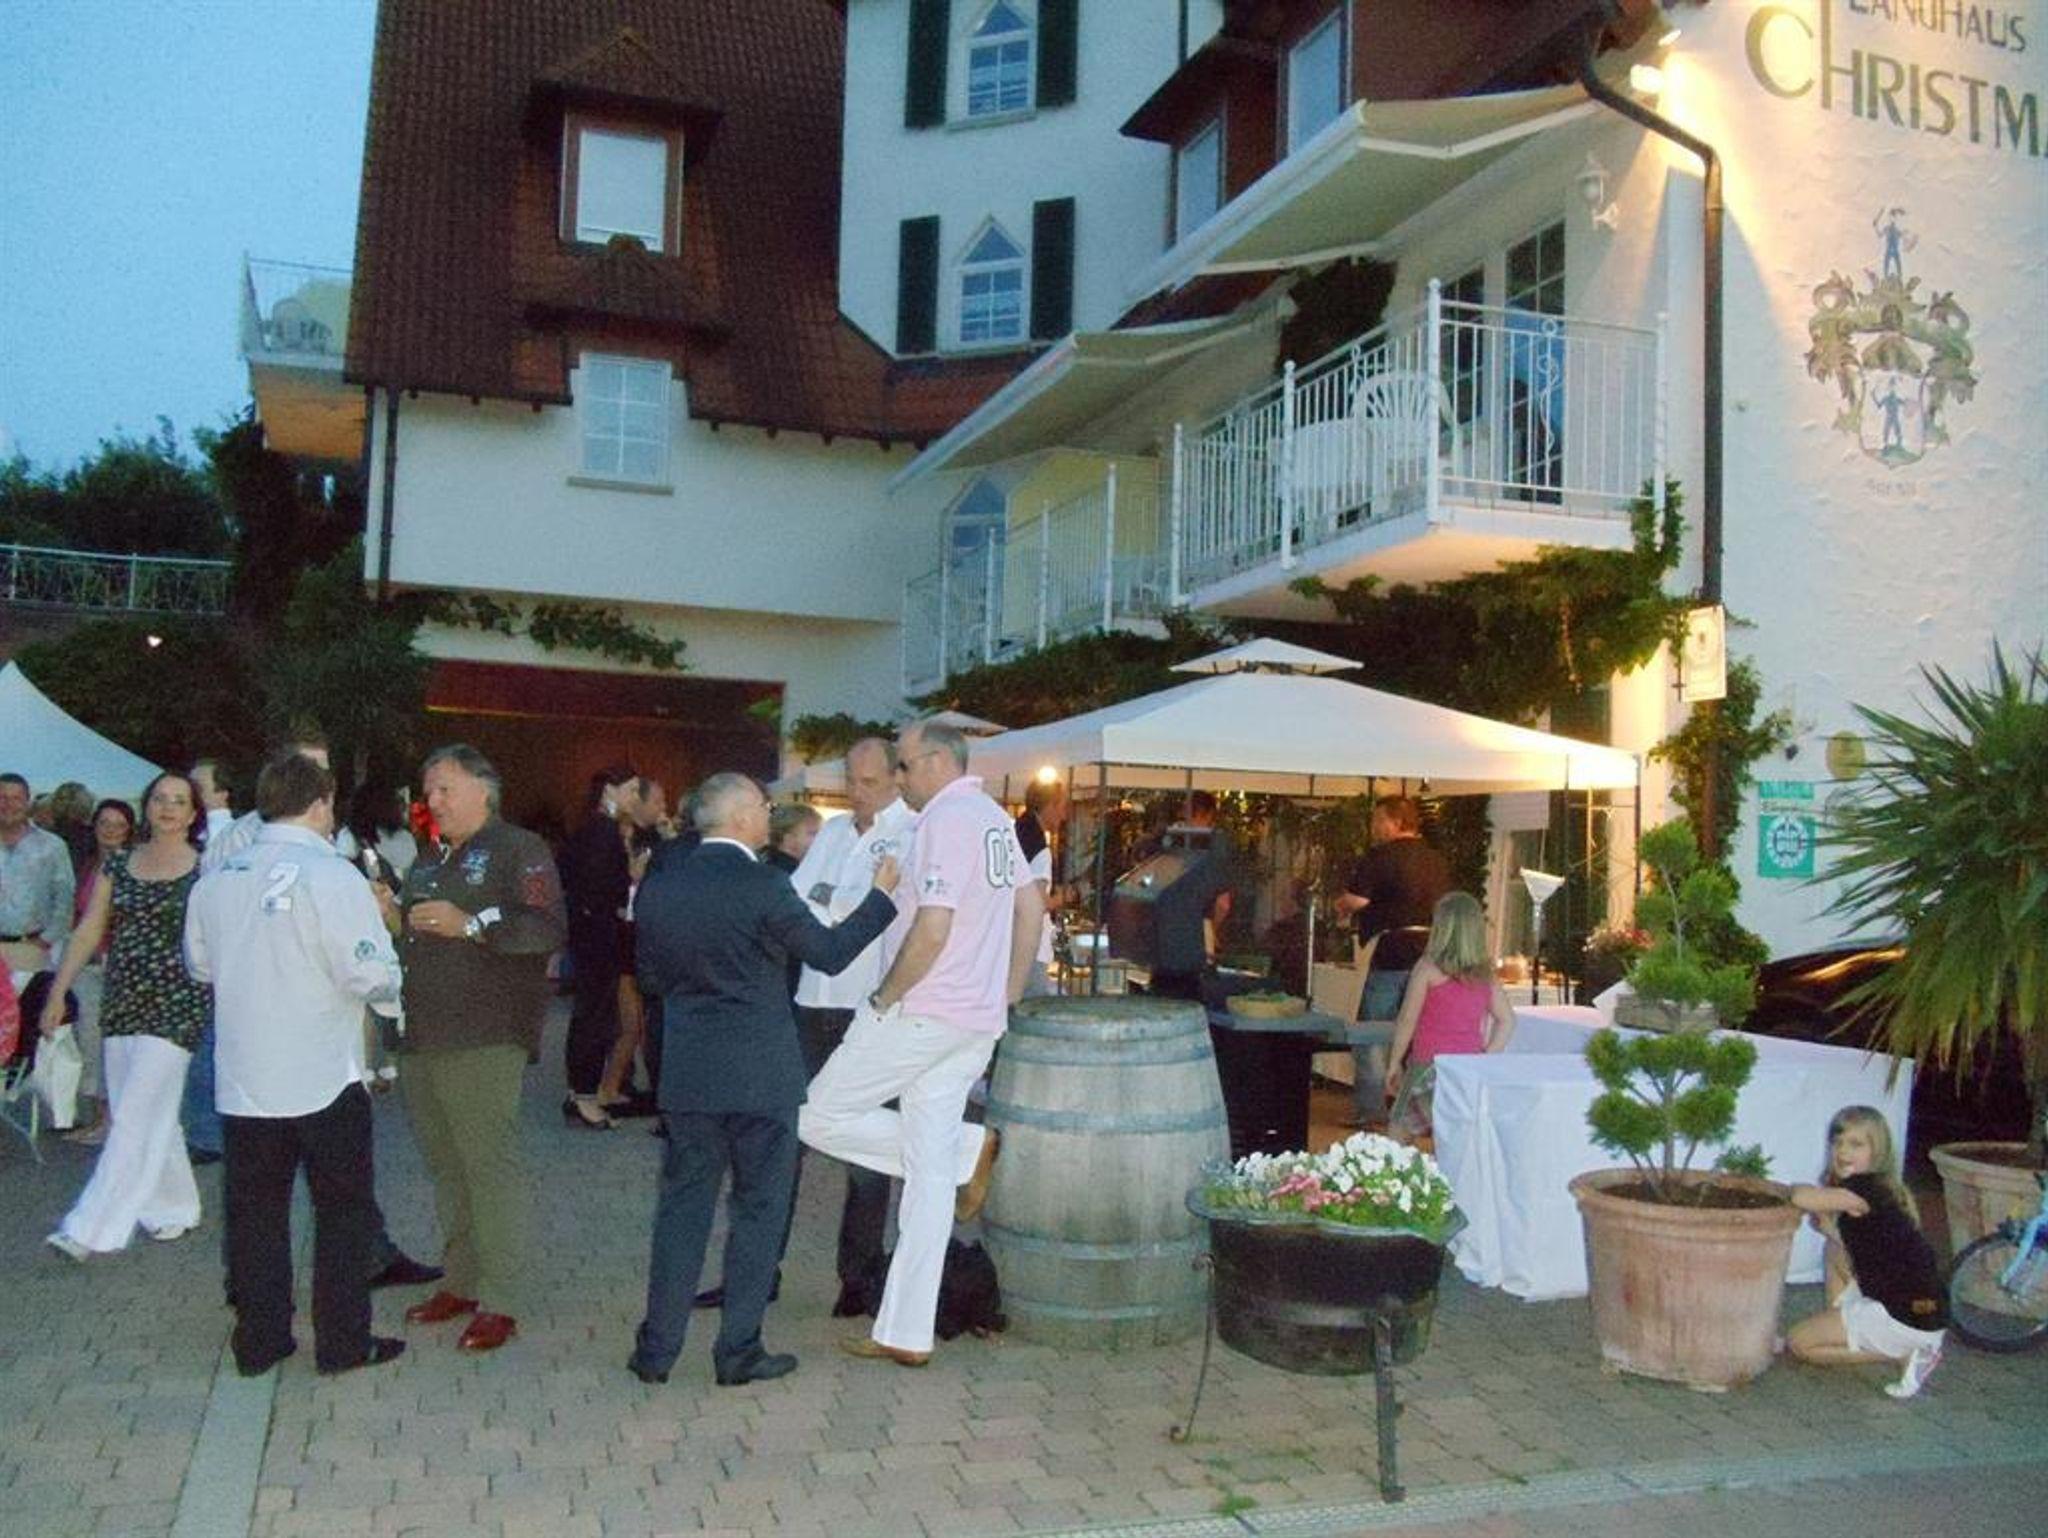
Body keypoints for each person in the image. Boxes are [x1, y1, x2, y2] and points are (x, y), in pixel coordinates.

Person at [627, 773, 901, 1386]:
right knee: (757, 1209)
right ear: (740, 815)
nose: (768, 814)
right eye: (762, 805)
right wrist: (881, 899)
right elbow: (829, 952)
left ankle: (657, 1349)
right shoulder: (765, 884)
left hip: (691, 1070)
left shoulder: (662, 885)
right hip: (761, 1074)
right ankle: (738, 1350)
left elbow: (649, 975)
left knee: (682, 1209)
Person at [800, 718, 1044, 1367]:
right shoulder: (995, 820)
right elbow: (1031, 910)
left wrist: (884, 998)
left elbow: (933, 927)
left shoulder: (944, 819)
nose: (900, 778)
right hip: (973, 1021)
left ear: (936, 762)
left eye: (904, 766)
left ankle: (967, 1148)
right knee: (928, 1179)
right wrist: (1005, 993)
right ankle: (906, 1332)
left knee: (815, 1115)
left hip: (922, 1011)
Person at [183, 753, 408, 1377]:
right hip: (322, 1072)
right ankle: (342, 1342)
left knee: (255, 1215)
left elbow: (199, 964)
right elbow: (366, 971)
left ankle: (261, 1339)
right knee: (342, 1213)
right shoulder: (333, 875)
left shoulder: (218, 878)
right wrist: (393, 980)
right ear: (320, 803)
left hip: (245, 1077)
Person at [395, 744, 567, 1353]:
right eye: (428, 790)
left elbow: (545, 929)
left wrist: (471, 925)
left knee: (488, 1167)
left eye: (444, 788)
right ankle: (460, 1281)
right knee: (447, 1166)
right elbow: (416, 934)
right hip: (423, 1033)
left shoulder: (519, 849)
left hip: (485, 1034)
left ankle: (501, 1298)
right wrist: (392, 917)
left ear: (482, 789)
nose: (433, 800)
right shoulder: (428, 858)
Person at [42, 772, 209, 1258]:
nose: (168, 808)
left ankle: (89, 1229)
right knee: (147, 1109)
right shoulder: (118, 863)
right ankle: (174, 1207)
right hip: (123, 999)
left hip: (178, 1002)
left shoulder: (207, 868)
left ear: (193, 813)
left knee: (133, 1112)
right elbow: (89, 929)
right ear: (147, 807)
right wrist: (58, 991)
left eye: (179, 801)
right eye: (160, 799)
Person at [780, 737, 909, 1316]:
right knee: (785, 1137)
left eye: (869, 782)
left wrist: (833, 903)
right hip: (812, 998)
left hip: (869, 1006)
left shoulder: (911, 833)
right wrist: (847, 903)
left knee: (868, 1151)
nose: (857, 792)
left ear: (896, 778)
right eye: (851, 780)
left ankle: (859, 1276)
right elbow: (794, 902)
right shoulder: (832, 831)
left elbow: (883, 912)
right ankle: (758, 1268)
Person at [1786, 1106, 1948, 1400]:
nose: (1843, 1151)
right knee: (1833, 1249)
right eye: (1838, 1142)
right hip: (1929, 1309)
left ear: (1878, 1151)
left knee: (1799, 1344)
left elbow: (1801, 1197)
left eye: (1856, 1144)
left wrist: (1795, 1188)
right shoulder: (1884, 1189)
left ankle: (1904, 1354)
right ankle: (1844, 1324)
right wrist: (1830, 1231)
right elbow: (1863, 1248)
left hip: (1905, 1318)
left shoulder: (1864, 1190)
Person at [1334, 795, 1451, 1122]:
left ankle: (1371, 1109)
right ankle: (1419, 1110)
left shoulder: (1379, 856)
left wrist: (1340, 905)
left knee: (1372, 1032)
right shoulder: (1436, 860)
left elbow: (1358, 900)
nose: (1374, 826)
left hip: (1389, 951)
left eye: (1378, 820)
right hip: (1429, 954)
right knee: (1420, 1033)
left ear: (1397, 822)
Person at [1380, 893, 1517, 1140]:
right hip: (1467, 1069)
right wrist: (1486, 1057)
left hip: (1428, 1065)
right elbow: (1507, 1020)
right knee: (1453, 1139)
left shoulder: (1428, 968)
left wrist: (1394, 1062)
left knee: (1398, 1135)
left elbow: (1408, 1019)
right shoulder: (1485, 975)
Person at [558, 764, 639, 1129]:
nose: (635, 798)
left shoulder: (591, 829)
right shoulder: (603, 832)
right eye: (631, 790)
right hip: (600, 939)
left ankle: (581, 1094)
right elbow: (599, 889)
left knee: (592, 1015)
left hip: (591, 936)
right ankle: (584, 1096)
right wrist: (621, 896)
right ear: (611, 790)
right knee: (596, 1018)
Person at [59, 799, 137, 1147]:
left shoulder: (132, 867)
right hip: (86, 964)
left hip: (114, 965)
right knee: (88, 1041)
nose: (110, 830)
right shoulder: (89, 864)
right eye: (104, 823)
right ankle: (97, 1116)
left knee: (108, 1044)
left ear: (129, 830)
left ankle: (109, 1120)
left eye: (118, 825)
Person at [0, 771, 75, 978]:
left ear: (27, 802)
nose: (8, 804)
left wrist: (45, 940)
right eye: (2, 797)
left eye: (16, 798)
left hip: (31, 950)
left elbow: (65, 900)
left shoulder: (52, 846)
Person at [1014, 777, 1064, 997]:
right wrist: (1065, 897)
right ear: (1050, 806)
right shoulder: (1039, 849)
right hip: (1031, 945)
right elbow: (1038, 903)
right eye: (1062, 807)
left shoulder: (1014, 832)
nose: (1063, 815)